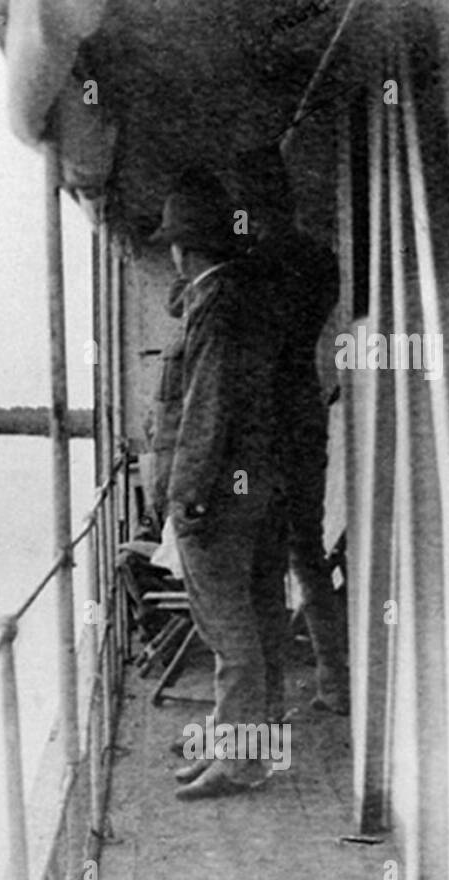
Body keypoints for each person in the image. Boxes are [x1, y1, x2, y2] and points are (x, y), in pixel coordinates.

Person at [155, 177, 289, 800]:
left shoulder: (215, 305)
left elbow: (205, 408)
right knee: (255, 625)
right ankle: (247, 750)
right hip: (256, 486)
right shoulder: (243, 298)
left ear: (184, 250)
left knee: (229, 634)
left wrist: (187, 496)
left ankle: (239, 763)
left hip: (217, 494)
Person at [234, 144, 348, 715]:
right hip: (306, 413)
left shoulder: (253, 265)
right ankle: (335, 682)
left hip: (267, 425)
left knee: (264, 569)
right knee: (308, 555)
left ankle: (267, 705)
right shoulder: (319, 258)